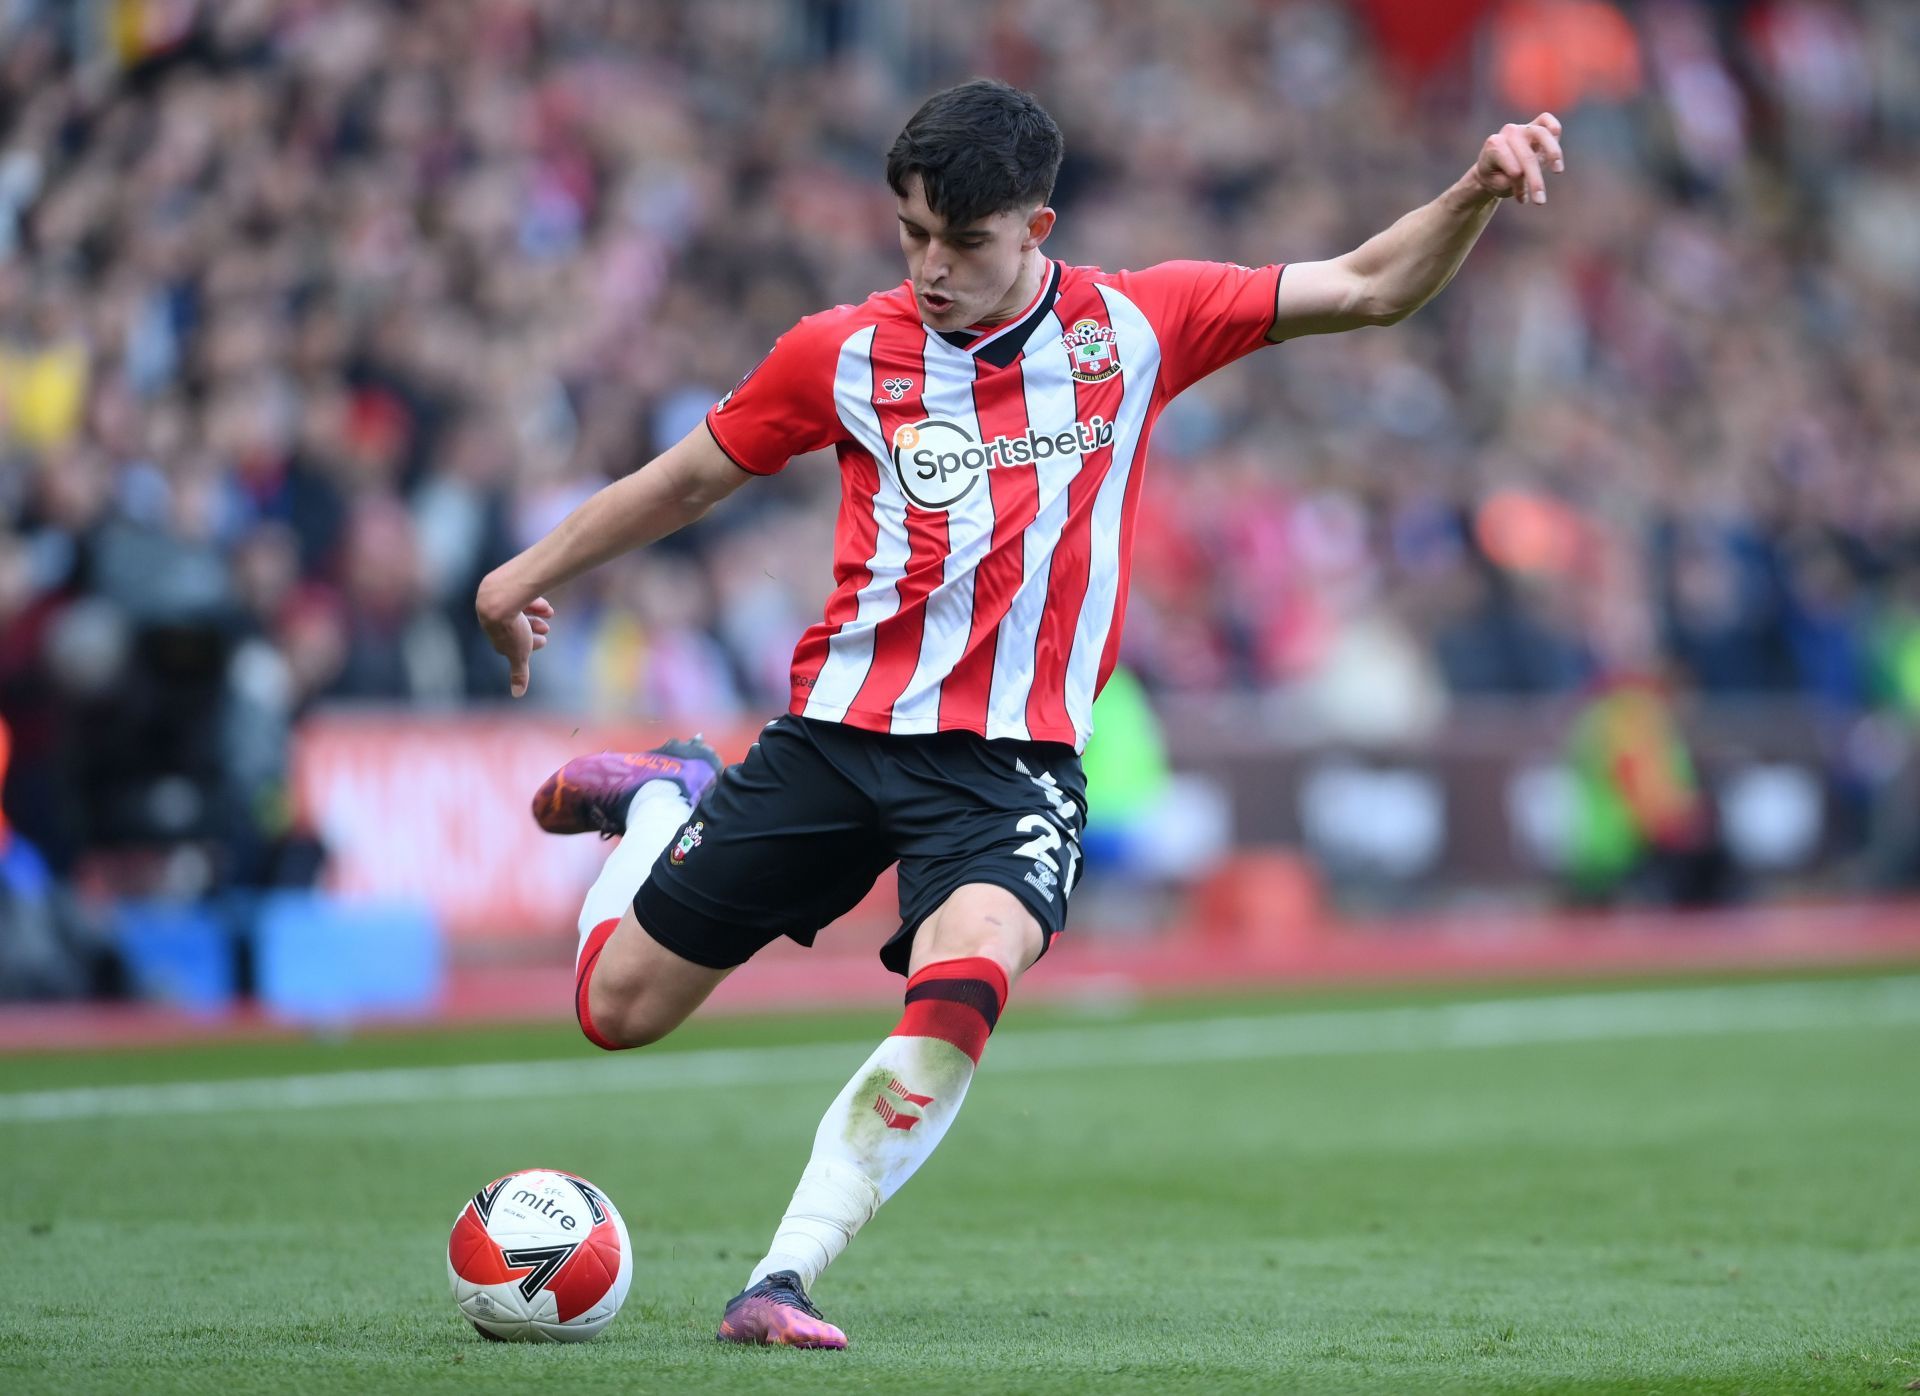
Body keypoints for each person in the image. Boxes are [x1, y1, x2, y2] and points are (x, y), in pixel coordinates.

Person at [476, 79, 1566, 1348]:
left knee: (967, 975)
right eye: (911, 234)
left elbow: (1372, 285)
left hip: (1013, 770)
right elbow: (686, 482)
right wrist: (522, 577)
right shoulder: (840, 351)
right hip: (839, 735)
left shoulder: (1139, 326)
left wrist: (1476, 191)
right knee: (618, 1012)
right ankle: (666, 796)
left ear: (1036, 226)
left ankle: (781, 1275)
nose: (932, 268)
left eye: (964, 241)